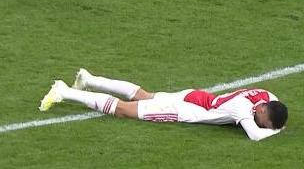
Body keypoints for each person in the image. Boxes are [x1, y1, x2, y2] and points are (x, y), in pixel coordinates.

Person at [39, 68, 287, 141]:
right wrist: (272, 131)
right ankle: (64, 91)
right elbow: (254, 136)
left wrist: (275, 125)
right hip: (186, 110)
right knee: (126, 111)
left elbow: (272, 115)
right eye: (263, 121)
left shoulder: (267, 95)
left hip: (195, 96)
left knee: (144, 96)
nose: (261, 125)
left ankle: (89, 79)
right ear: (261, 109)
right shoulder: (244, 109)